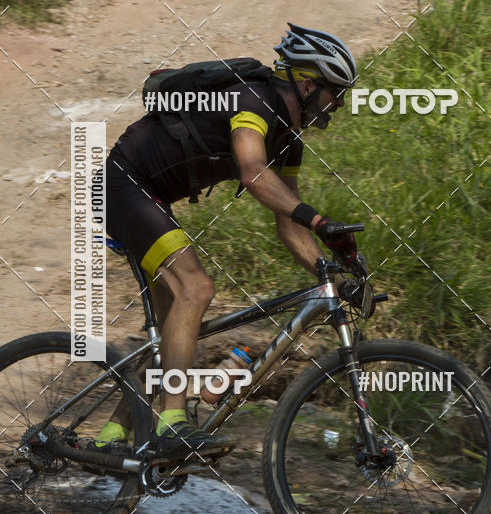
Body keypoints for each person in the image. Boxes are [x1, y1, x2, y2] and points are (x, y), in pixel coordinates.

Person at [95, 23, 358, 459]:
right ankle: (172, 424)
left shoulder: (288, 143)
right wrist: (318, 219)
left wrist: (331, 271)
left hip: (150, 196)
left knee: (173, 327)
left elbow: (287, 221)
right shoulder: (254, 101)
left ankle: (111, 438)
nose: (339, 105)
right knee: (195, 288)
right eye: (337, 93)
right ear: (309, 85)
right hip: (125, 185)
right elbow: (253, 171)